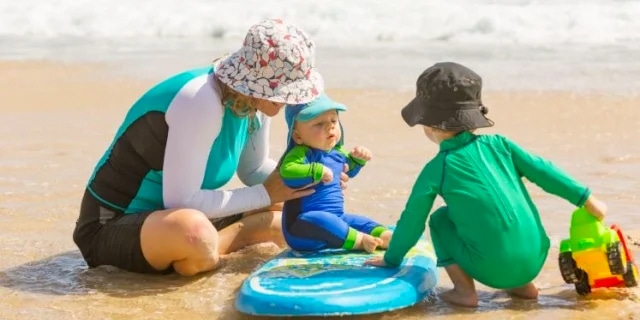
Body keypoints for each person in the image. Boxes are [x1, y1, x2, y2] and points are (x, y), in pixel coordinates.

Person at [72, 19, 350, 277]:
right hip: (111, 224)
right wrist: (266, 194)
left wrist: (313, 177)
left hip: (172, 217)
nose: (290, 99)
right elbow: (181, 201)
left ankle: (228, 239)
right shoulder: (201, 101)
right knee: (196, 234)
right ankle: (225, 241)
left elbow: (253, 169)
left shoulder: (256, 102)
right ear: (257, 82)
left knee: (291, 208)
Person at [364, 62, 607, 307]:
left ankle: (464, 292)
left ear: (429, 123)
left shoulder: (438, 167)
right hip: (536, 258)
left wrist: (392, 259)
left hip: (491, 269)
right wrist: (586, 199)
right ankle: (523, 286)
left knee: (439, 220)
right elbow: (546, 172)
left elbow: (412, 220)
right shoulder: (501, 144)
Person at [279, 94, 393, 253]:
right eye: (319, 123)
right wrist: (315, 170)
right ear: (298, 136)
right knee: (323, 220)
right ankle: (360, 241)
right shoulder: (301, 154)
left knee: (357, 221)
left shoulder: (337, 153)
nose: (329, 126)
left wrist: (358, 159)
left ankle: (384, 235)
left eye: (333, 120)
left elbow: (349, 170)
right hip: (302, 228)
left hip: (336, 219)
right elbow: (287, 171)